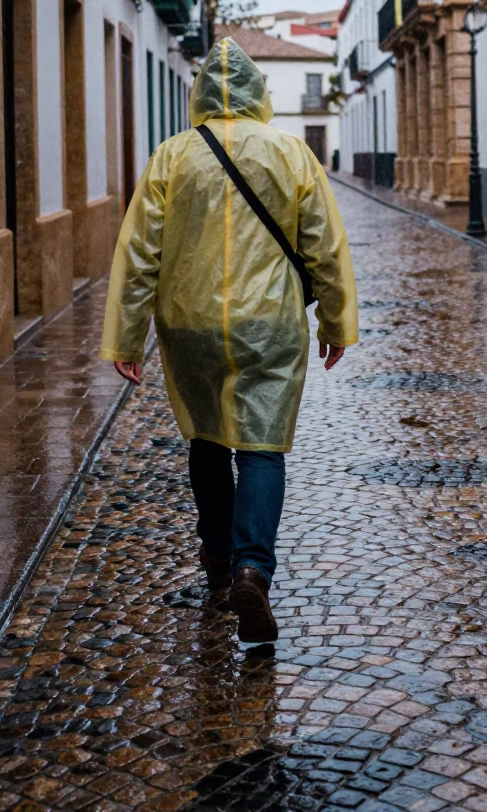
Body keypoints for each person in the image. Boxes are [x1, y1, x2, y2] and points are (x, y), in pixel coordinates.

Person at [100, 38, 358, 642]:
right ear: (259, 90)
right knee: (263, 447)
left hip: (187, 324)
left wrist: (127, 338)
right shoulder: (292, 154)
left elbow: (138, 254)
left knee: (207, 439)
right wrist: (337, 321)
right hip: (269, 323)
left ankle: (217, 562)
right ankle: (251, 568)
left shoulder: (171, 157)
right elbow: (324, 243)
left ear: (197, 95)